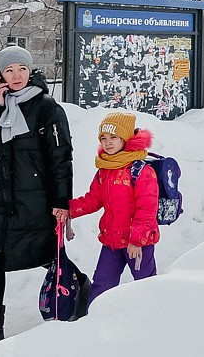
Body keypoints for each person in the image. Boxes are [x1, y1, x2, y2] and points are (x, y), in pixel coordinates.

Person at [0, 45, 74, 357]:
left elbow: (61, 159)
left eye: (21, 68)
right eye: (9, 70)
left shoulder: (47, 108)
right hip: (2, 201)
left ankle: (80, 289)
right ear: (0, 76)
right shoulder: (3, 106)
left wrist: (63, 203)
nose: (16, 75)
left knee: (52, 256)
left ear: (30, 70)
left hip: (37, 202)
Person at [68, 111, 160, 304]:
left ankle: (153, 318)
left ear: (125, 139)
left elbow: (147, 209)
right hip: (112, 241)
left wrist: (137, 240)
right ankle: (91, 321)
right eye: (103, 138)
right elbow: (92, 200)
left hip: (138, 243)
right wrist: (68, 210)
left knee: (146, 284)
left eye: (113, 137)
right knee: (102, 285)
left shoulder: (141, 171)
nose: (107, 142)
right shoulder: (105, 170)